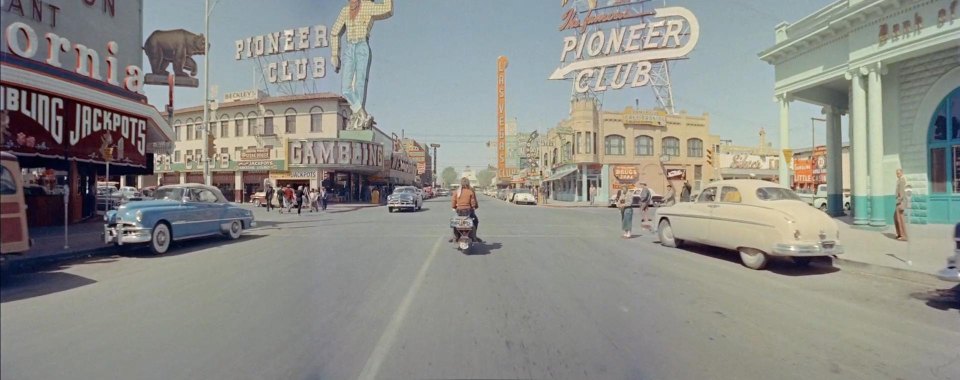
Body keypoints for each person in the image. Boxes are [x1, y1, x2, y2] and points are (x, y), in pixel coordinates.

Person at [331, 0, 394, 130]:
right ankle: (363, 115)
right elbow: (334, 32)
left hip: (362, 46)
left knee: (360, 84)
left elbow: (387, 9)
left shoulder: (367, 6)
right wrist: (335, 54)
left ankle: (358, 119)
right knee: (346, 88)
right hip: (349, 48)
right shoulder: (345, 10)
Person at [450, 177, 482, 243]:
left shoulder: (457, 191)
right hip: (468, 211)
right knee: (475, 221)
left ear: (461, 183)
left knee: (455, 222)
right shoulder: (470, 191)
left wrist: (454, 207)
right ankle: (474, 236)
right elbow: (473, 202)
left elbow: (453, 202)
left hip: (459, 211)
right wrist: (474, 207)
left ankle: (455, 237)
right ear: (468, 183)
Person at [894, 168, 908, 241]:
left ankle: (903, 235)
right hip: (899, 201)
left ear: (902, 173)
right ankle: (899, 234)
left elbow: (902, 192)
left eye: (898, 173)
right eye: (896, 173)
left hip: (901, 201)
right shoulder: (899, 180)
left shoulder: (902, 180)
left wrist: (899, 200)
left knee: (900, 219)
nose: (897, 175)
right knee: (896, 218)